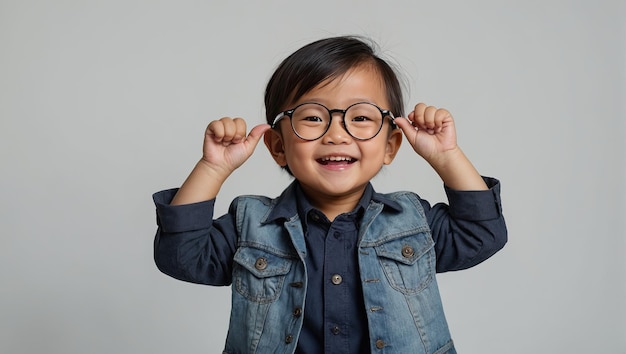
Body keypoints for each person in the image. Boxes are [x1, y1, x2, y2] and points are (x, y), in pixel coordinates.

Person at [153, 36, 507, 354]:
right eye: (312, 117)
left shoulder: (413, 221)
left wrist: (446, 157)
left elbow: (482, 233)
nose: (336, 134)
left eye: (362, 117)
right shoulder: (250, 226)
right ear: (278, 146)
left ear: (390, 145)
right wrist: (212, 168)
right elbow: (180, 256)